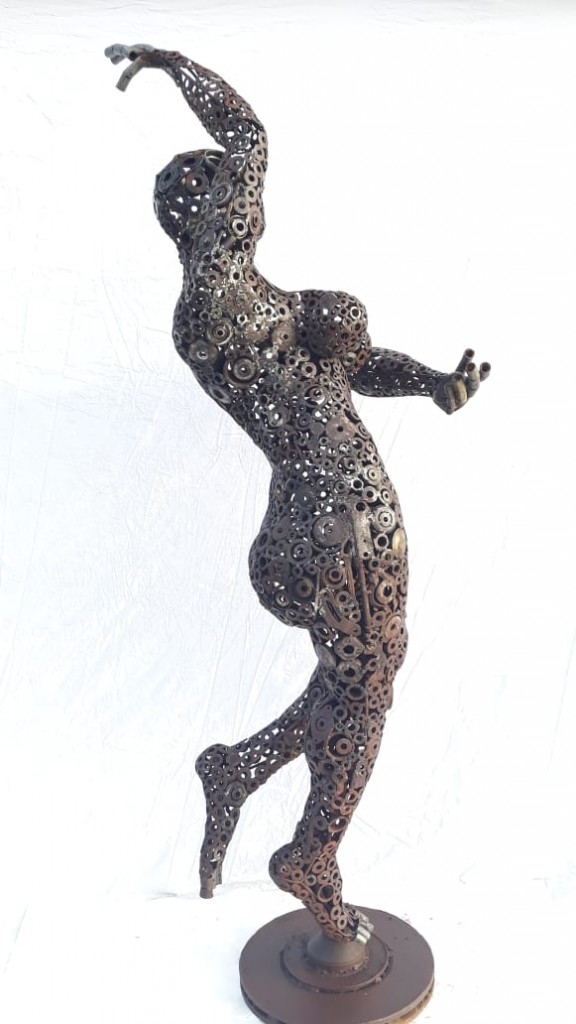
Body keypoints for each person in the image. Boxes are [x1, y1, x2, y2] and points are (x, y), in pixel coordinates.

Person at [106, 44, 490, 944]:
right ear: (206, 214)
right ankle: (311, 856)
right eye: (227, 194)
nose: (247, 202)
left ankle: (238, 769)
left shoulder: (257, 302)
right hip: (330, 524)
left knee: (360, 671)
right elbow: (248, 134)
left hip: (341, 513)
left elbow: (351, 369)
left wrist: (432, 384)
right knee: (369, 683)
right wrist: (172, 65)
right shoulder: (216, 301)